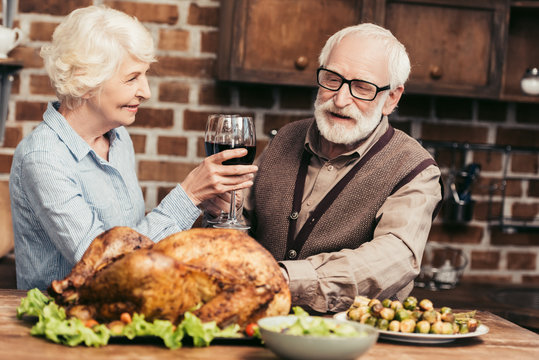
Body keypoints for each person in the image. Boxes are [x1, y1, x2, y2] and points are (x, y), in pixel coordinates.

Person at [9, 5, 257, 290]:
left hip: (122, 313)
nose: (146, 91)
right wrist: (188, 196)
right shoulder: (43, 158)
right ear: (85, 81)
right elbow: (105, 267)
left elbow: (135, 243)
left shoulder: (117, 139)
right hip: (64, 324)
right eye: (132, 78)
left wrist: (205, 206)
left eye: (145, 75)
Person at [243, 23, 443, 313]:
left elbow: (395, 257)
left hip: (353, 344)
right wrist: (217, 211)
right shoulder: (284, 139)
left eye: (362, 87)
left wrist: (283, 280)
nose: (340, 99)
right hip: (255, 328)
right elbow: (237, 225)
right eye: (332, 79)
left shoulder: (416, 169)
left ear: (391, 98)